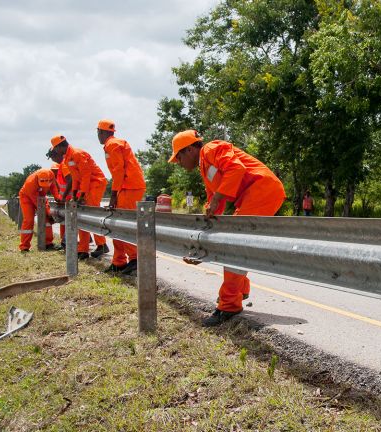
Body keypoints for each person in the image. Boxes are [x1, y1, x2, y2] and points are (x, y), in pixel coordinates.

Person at [168, 130, 286, 326]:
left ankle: (229, 305)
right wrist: (201, 248)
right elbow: (215, 208)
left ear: (189, 149)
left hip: (263, 189)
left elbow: (235, 169)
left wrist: (216, 199)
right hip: (253, 195)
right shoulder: (205, 169)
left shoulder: (210, 149)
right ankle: (240, 289)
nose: (178, 163)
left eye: (179, 157)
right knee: (234, 243)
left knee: (233, 245)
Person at [47, 134, 109, 260]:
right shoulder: (68, 157)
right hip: (85, 186)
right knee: (81, 216)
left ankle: (101, 244)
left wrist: (82, 194)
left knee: (90, 214)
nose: (55, 153)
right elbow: (76, 178)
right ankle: (83, 249)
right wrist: (75, 194)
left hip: (95, 183)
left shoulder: (77, 154)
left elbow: (86, 175)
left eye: (54, 150)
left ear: (59, 147)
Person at [97, 119, 147, 274]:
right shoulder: (113, 144)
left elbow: (119, 171)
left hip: (129, 187)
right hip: (127, 186)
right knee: (117, 224)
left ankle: (135, 259)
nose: (97, 135)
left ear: (104, 132)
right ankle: (118, 261)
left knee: (124, 224)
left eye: (98, 132)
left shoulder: (112, 144)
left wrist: (113, 195)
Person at [17, 166, 58, 252]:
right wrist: (48, 212)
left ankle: (48, 243)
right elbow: (37, 202)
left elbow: (53, 187)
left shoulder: (51, 175)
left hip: (41, 197)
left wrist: (57, 197)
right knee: (29, 220)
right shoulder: (30, 183)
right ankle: (24, 246)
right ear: (38, 179)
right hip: (27, 197)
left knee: (46, 220)